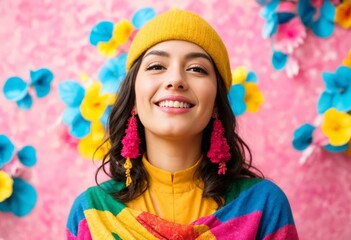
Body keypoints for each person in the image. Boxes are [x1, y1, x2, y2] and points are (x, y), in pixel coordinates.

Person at [66, 9, 299, 239]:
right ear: (134, 98)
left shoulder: (262, 206)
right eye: (156, 66)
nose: (176, 80)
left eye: (196, 69)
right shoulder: (91, 214)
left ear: (217, 103)